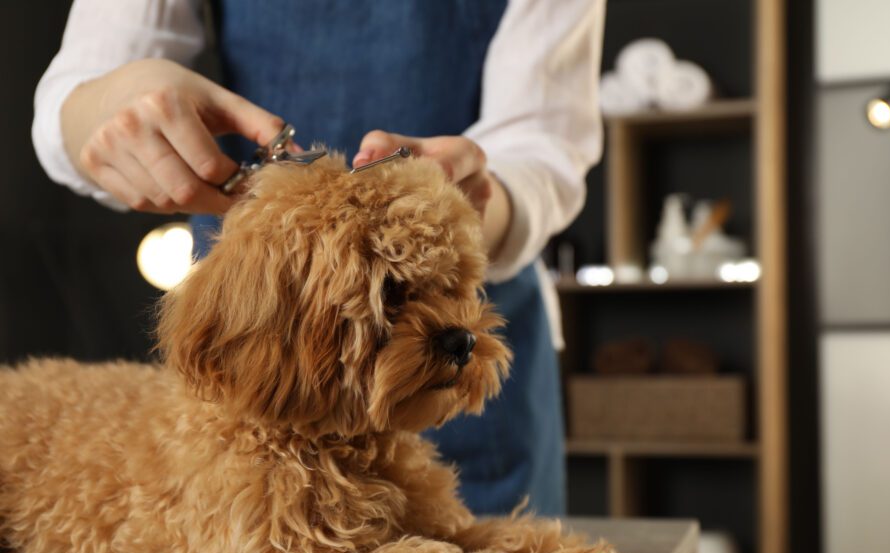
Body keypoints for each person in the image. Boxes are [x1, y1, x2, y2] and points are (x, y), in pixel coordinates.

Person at [33, 0, 604, 517]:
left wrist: (472, 199)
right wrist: (112, 100)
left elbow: (544, 143)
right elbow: (71, 102)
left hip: (485, 394)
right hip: (264, 351)